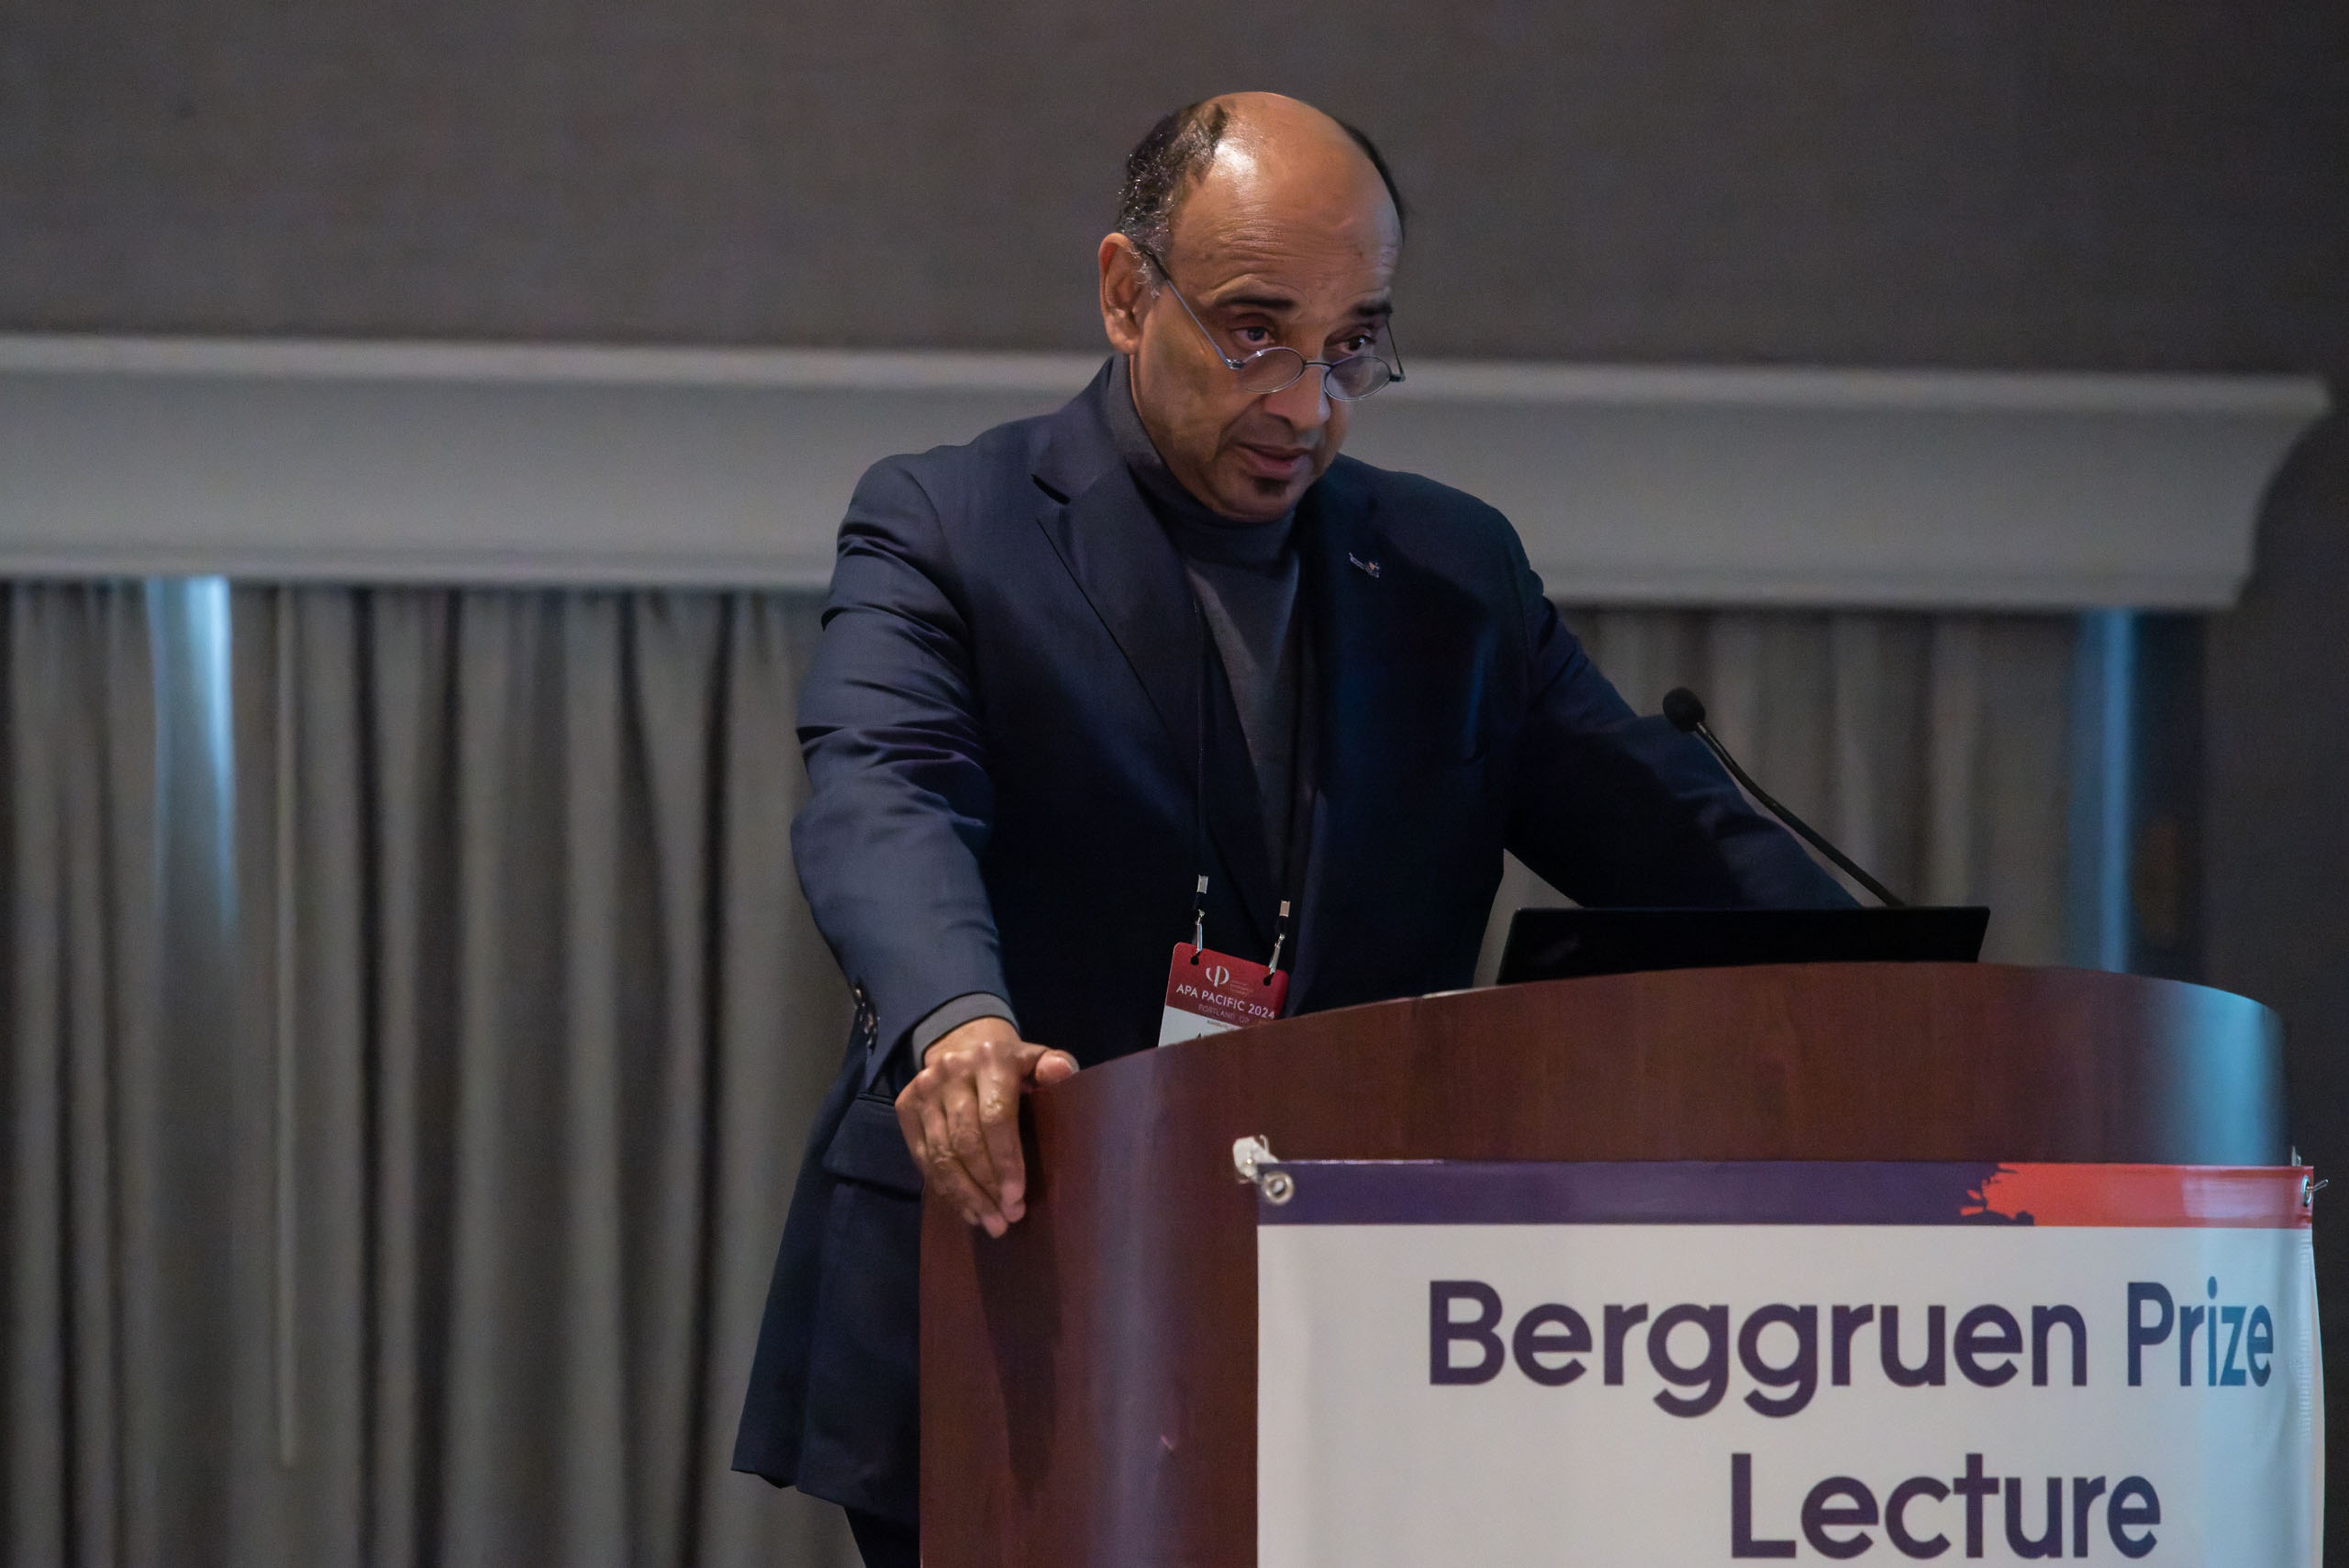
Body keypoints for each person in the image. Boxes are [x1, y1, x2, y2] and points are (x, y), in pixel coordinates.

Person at [732, 92, 1850, 1566]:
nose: (1306, 403)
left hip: (1353, 1319)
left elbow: (1674, 840)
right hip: (1022, 1291)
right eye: (1256, 331)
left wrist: (1922, 997)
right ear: (1129, 293)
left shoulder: (1452, 570)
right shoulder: (953, 526)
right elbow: (887, 790)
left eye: (1353, 344)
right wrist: (956, 1022)